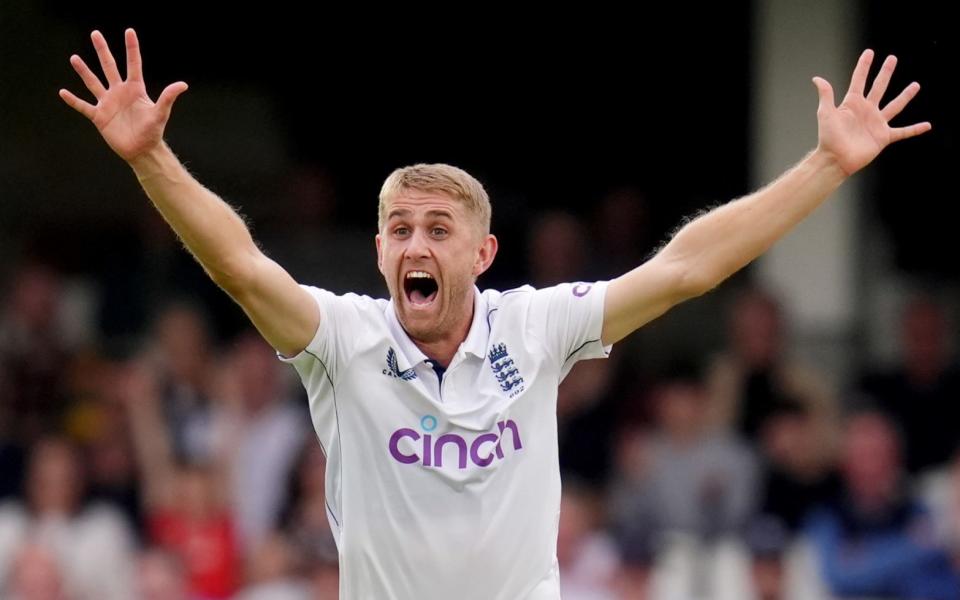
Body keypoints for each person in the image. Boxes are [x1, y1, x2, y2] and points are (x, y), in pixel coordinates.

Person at [59, 28, 930, 600]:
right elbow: (242, 267)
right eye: (398, 229)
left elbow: (684, 269)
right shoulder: (344, 343)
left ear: (481, 256)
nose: (415, 247)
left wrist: (824, 165)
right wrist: (153, 160)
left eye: (439, 230)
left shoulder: (536, 327)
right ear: (377, 252)